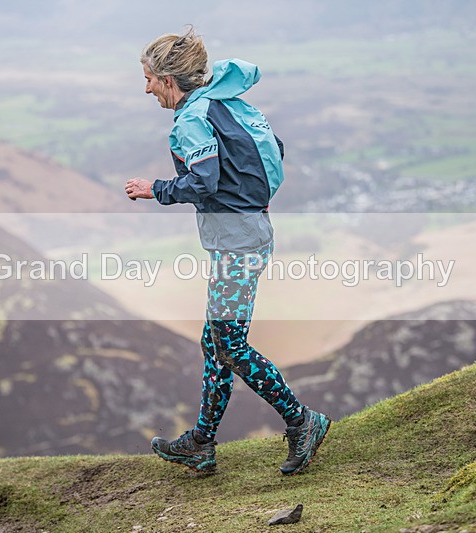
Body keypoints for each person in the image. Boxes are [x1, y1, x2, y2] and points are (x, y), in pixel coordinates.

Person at [125, 27, 330, 476]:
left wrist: (154, 188)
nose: (146, 88)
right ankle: (201, 442)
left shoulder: (192, 118)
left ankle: (302, 422)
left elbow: (204, 181)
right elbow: (273, 149)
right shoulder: (224, 102)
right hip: (245, 233)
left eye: (149, 79)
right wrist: (251, 194)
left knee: (230, 344)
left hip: (237, 242)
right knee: (215, 341)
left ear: (168, 79)